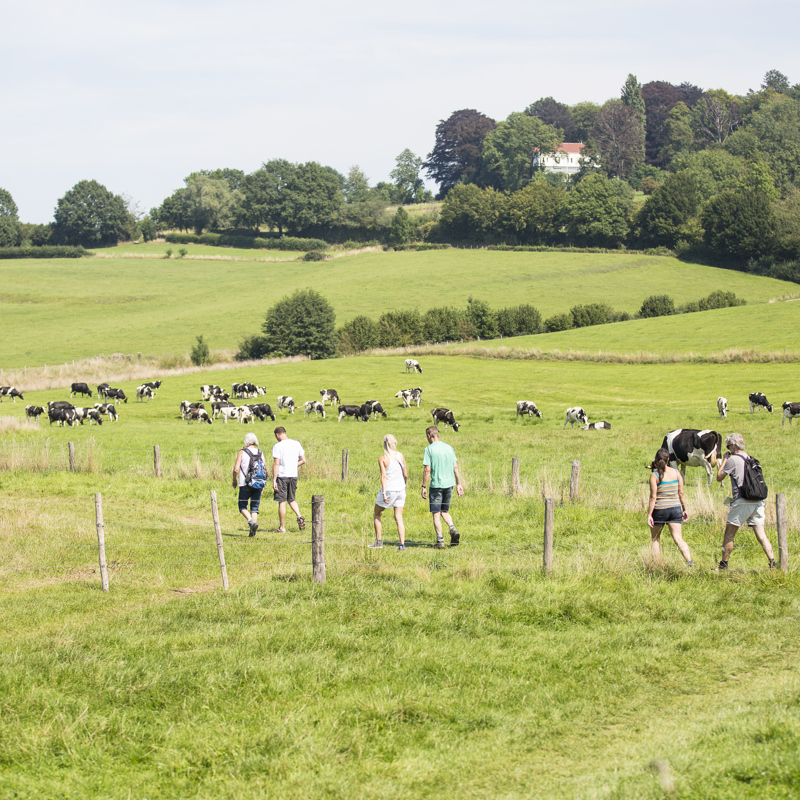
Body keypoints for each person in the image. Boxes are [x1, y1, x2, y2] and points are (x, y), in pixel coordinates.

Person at [715, 432, 777, 570]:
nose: (728, 449)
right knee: (761, 535)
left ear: (734, 445)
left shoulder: (733, 460)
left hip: (742, 501)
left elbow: (719, 477)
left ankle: (723, 565)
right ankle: (773, 562)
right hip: (758, 501)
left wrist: (724, 459)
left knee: (729, 534)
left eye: (728, 446)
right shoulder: (752, 459)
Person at [646, 447, 694, 566]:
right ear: (668, 459)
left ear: (656, 460)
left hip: (660, 510)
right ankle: (689, 561)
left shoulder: (654, 475)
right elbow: (681, 493)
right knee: (678, 538)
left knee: (655, 539)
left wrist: (649, 514)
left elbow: (653, 497)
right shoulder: (676, 473)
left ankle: (657, 565)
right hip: (675, 509)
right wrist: (685, 509)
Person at [421, 425, 464, 549]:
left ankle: (440, 541)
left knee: (436, 513)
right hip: (449, 484)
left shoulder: (429, 449)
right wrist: (459, 484)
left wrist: (423, 486)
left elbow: (427, 469)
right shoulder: (449, 448)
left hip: (436, 485)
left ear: (429, 436)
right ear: (438, 435)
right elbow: (455, 467)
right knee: (444, 511)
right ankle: (452, 528)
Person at [369, 434, 409, 551]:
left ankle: (379, 541)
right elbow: (405, 474)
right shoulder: (400, 456)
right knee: (399, 518)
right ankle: (402, 545)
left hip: (390, 489)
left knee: (377, 514)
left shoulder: (383, 458)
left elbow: (384, 476)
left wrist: (384, 493)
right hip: (401, 490)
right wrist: (404, 485)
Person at [272, 426, 307, 533]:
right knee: (291, 499)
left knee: (282, 502)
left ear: (277, 435)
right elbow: (303, 460)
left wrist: (274, 479)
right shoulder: (296, 443)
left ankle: (282, 527)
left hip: (282, 476)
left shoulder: (277, 446)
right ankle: (299, 515)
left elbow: (276, 463)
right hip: (293, 475)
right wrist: (292, 466)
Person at [232, 432, 267, 537]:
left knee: (242, 506)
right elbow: (265, 470)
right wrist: (263, 484)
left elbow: (236, 469)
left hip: (245, 483)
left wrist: (234, 480)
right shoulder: (260, 452)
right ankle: (253, 532)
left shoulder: (242, 452)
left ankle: (251, 522)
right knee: (254, 508)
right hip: (258, 483)